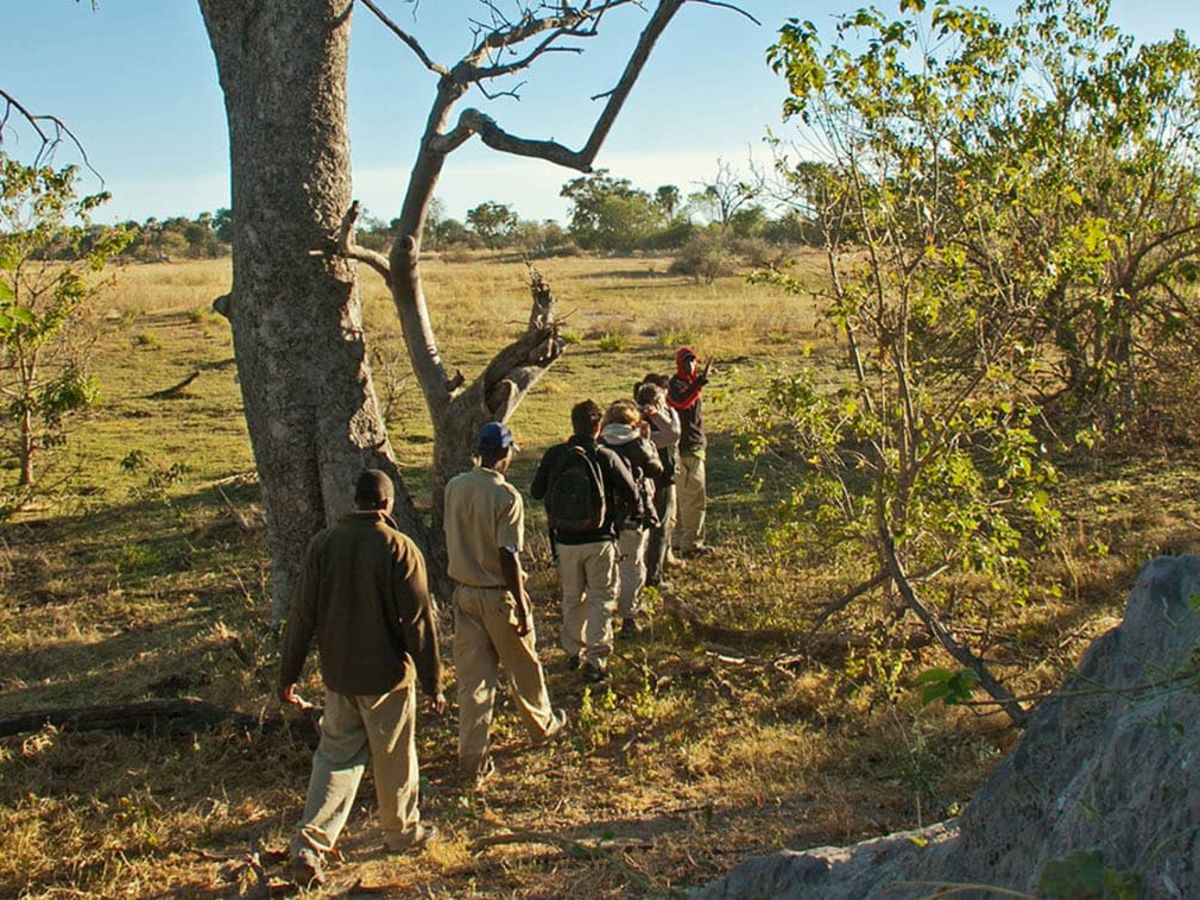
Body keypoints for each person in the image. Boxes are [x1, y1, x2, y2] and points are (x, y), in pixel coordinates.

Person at [279, 469, 445, 888]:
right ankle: (401, 832)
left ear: (354, 500)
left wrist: (289, 674)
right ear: (387, 505)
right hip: (387, 674)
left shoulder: (324, 544)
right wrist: (433, 683)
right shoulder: (400, 548)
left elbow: (302, 615)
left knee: (335, 757)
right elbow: (420, 623)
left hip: (339, 674)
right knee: (394, 756)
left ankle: (309, 844)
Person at [443, 422, 567, 784]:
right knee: (523, 666)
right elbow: (508, 554)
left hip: (462, 591)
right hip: (497, 594)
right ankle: (542, 724)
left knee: (473, 680)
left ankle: (472, 757)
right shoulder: (506, 496)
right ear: (506, 453)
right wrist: (523, 604)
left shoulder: (455, 486)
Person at [531, 399, 638, 683]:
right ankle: (596, 659)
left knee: (572, 597)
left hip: (565, 540)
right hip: (600, 538)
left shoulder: (555, 455)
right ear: (597, 426)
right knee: (601, 599)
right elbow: (632, 494)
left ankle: (572, 651)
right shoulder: (605, 455)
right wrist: (618, 519)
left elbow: (536, 491)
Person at [599, 398, 664, 637]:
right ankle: (628, 617)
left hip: (605, 515)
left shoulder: (600, 443)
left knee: (607, 568)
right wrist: (647, 441)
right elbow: (656, 470)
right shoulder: (639, 443)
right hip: (635, 513)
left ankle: (603, 617)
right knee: (633, 566)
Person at [635, 375, 680, 589]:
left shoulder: (668, 414)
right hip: (654, 482)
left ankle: (651, 573)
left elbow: (675, 429)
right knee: (656, 529)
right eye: (661, 402)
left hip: (664, 478)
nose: (665, 405)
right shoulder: (639, 425)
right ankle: (653, 577)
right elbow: (672, 435)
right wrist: (654, 416)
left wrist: (661, 414)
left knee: (658, 530)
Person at [667, 346, 711, 555]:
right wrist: (698, 384)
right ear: (679, 364)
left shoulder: (689, 384)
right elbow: (681, 402)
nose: (691, 365)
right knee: (693, 499)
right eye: (686, 361)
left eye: (693, 361)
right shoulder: (675, 384)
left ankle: (679, 540)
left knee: (684, 498)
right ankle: (691, 544)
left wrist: (697, 384)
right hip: (685, 448)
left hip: (693, 446)